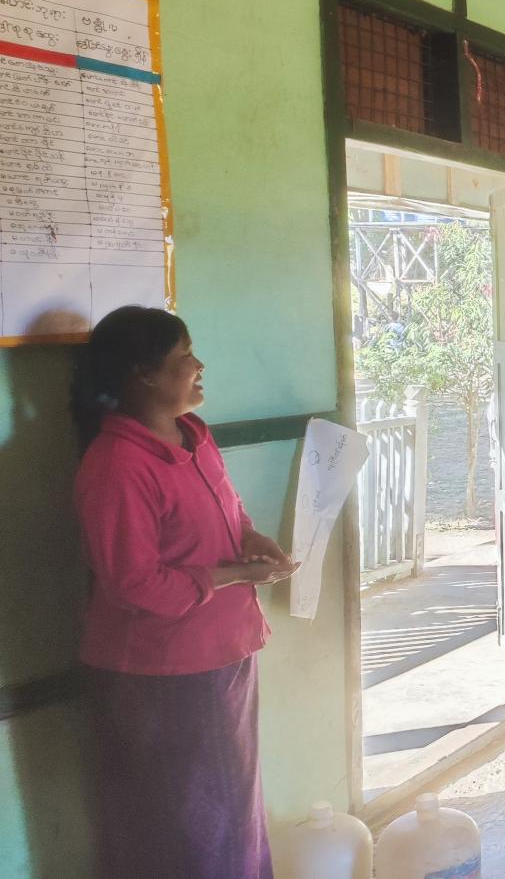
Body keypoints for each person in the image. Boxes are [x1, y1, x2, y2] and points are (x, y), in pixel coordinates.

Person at [70, 306, 298, 879]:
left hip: (223, 652)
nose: (199, 366)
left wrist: (251, 539)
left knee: (235, 813)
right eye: (183, 357)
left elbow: (229, 508)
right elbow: (134, 583)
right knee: (186, 828)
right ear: (143, 375)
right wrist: (237, 575)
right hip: (163, 672)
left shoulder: (194, 435)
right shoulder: (118, 463)